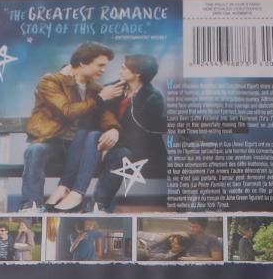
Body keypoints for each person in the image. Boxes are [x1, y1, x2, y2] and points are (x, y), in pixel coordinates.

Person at [20, 43, 122, 212]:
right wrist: (99, 99)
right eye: (100, 65)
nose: (103, 70)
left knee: (94, 136)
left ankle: (73, 195)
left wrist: (113, 128)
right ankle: (31, 205)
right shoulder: (51, 81)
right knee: (34, 150)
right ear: (82, 63)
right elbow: (66, 111)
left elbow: (106, 114)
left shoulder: (94, 89)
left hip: (80, 148)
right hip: (53, 143)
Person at [89, 53, 168, 212]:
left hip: (140, 151)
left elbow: (140, 133)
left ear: (137, 73)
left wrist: (111, 144)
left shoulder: (153, 97)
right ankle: (97, 205)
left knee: (121, 155)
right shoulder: (112, 88)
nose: (120, 71)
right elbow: (98, 117)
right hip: (109, 143)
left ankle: (98, 205)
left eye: (124, 68)